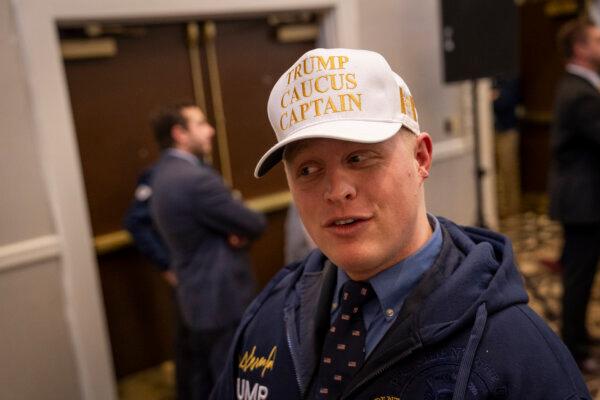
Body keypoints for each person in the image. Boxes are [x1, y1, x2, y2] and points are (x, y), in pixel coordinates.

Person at [210, 48, 590, 399]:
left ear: (421, 158)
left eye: (359, 158)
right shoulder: (271, 314)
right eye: (309, 169)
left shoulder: (518, 352)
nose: (336, 191)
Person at [149, 102, 267, 399]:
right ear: (180, 133)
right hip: (220, 297)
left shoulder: (162, 174)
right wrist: (238, 229)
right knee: (231, 381)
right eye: (201, 124)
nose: (210, 130)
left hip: (194, 294)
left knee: (204, 380)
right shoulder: (196, 180)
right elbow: (253, 222)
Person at [549, 19, 600, 373]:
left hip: (584, 199)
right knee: (579, 277)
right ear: (580, 48)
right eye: (598, 39)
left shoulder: (580, 86)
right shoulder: (579, 92)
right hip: (585, 202)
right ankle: (574, 351)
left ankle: (578, 337)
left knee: (579, 274)